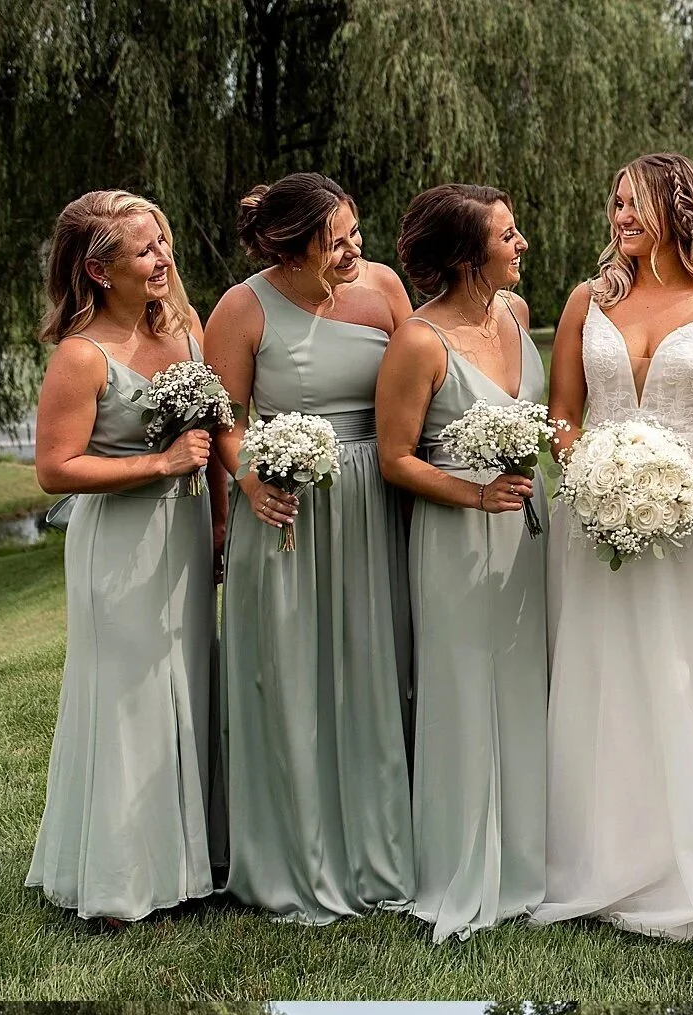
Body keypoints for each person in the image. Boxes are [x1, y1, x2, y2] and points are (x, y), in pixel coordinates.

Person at [534, 152, 693, 940]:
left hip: (691, 522)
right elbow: (562, 412)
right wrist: (591, 472)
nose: (620, 216)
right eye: (615, 202)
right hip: (593, 519)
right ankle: (598, 852)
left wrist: (673, 483)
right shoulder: (584, 301)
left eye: (635, 204)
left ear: (678, 209)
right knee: (600, 675)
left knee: (684, 674)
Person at [208, 173, 416, 923]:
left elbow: (426, 378)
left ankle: (382, 850)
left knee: (375, 668)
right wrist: (253, 476)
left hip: (374, 504)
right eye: (337, 242)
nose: (354, 250)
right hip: (287, 510)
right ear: (293, 250)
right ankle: (293, 853)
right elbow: (224, 420)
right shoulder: (242, 307)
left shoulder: (386, 289)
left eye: (357, 233)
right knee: (290, 677)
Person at [27, 190, 223, 924]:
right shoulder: (83, 357)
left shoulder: (188, 329)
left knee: (187, 683)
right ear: (101, 271)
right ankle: (118, 886)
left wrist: (223, 521)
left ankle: (188, 865)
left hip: (188, 529)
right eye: (145, 250)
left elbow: (213, 437)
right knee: (129, 698)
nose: (164, 258)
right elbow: (55, 471)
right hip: (119, 544)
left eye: (164, 242)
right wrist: (159, 466)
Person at [376, 184, 549, 942]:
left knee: (520, 687)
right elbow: (393, 460)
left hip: (527, 535)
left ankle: (526, 860)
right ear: (465, 255)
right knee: (461, 691)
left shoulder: (514, 315)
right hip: (457, 539)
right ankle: (460, 866)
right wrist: (472, 498)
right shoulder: (418, 343)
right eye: (507, 237)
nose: (521, 247)